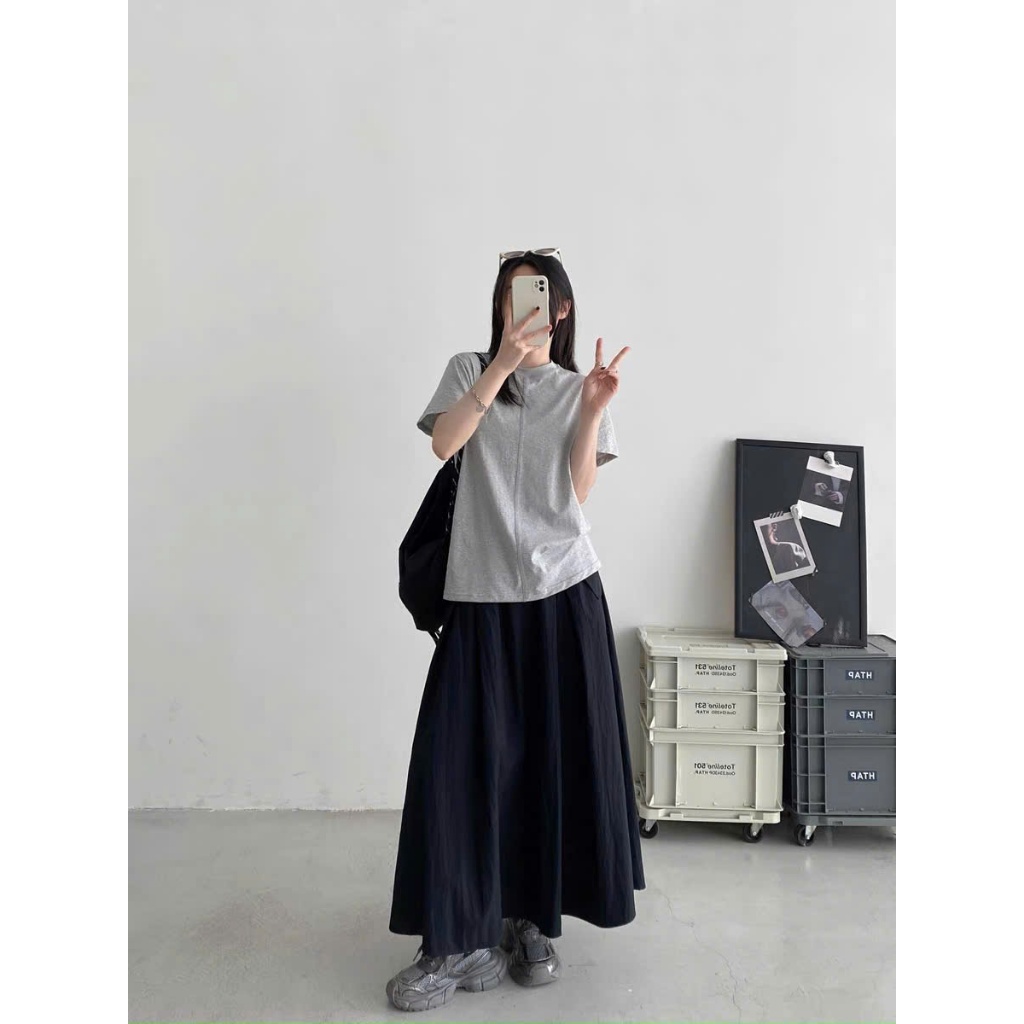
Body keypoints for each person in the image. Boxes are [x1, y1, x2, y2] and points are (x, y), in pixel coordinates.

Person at [385, 249, 646, 1012]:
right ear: (500, 305)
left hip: (564, 592)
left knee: (549, 764)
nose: (520, 305)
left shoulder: (578, 388)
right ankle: (451, 939)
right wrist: (501, 362)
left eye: (533, 296)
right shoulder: (469, 370)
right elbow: (445, 443)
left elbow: (577, 494)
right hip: (479, 594)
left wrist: (591, 409)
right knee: (456, 768)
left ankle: (530, 919)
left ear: (559, 309)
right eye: (509, 295)